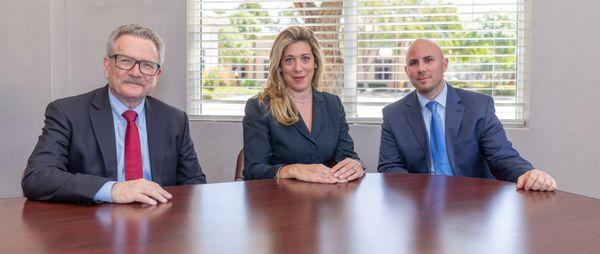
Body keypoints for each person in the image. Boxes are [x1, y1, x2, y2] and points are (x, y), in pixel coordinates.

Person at [22, 24, 206, 205]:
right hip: (90, 225)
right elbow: (37, 177)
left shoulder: (174, 120)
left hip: (157, 223)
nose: (135, 72)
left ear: (157, 75)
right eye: (125, 61)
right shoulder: (67, 113)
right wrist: (112, 189)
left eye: (147, 65)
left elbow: (194, 185)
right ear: (107, 66)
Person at [377, 39, 556, 191]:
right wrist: (419, 195)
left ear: (444, 64)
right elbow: (389, 167)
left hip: (472, 201)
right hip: (419, 203)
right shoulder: (393, 115)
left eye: (428, 60)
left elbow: (502, 156)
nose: (421, 68)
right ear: (406, 70)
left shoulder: (478, 107)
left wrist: (528, 173)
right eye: (414, 63)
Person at [243, 26, 364, 183]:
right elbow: (254, 170)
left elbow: (346, 157)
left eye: (305, 58)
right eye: (289, 60)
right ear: (279, 66)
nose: (298, 68)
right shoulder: (259, 107)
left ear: (315, 62)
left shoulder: (333, 104)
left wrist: (356, 165)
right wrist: (293, 169)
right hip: (279, 201)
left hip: (327, 201)